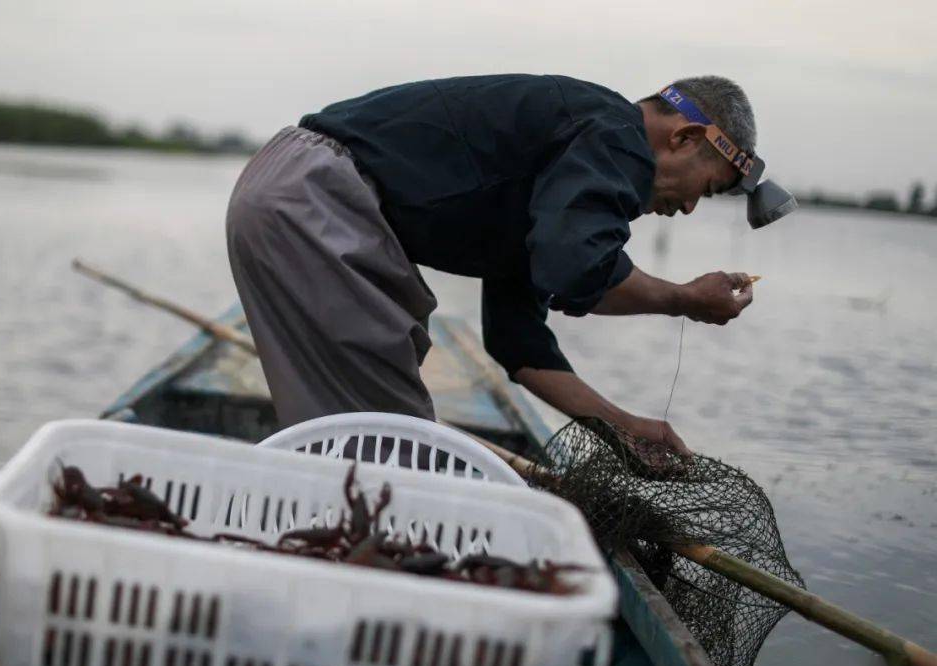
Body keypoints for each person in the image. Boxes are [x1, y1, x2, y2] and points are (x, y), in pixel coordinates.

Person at [227, 74, 762, 454]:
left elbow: (518, 342)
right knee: (390, 447)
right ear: (685, 137)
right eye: (707, 188)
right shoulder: (615, 134)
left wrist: (619, 427)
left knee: (357, 427)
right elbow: (577, 271)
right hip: (316, 197)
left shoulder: (563, 172)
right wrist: (683, 299)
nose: (689, 208)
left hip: (290, 192)